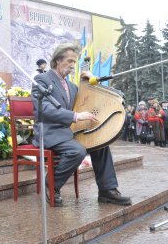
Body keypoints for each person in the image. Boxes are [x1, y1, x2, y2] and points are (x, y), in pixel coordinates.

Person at [31, 43, 132, 207]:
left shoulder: (72, 86)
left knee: (101, 144)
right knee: (77, 151)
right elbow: (44, 109)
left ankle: (107, 190)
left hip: (69, 133)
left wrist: (92, 82)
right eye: (69, 61)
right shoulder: (41, 79)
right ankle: (51, 185)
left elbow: (92, 100)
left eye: (74, 62)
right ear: (57, 60)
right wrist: (75, 116)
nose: (72, 65)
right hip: (50, 132)